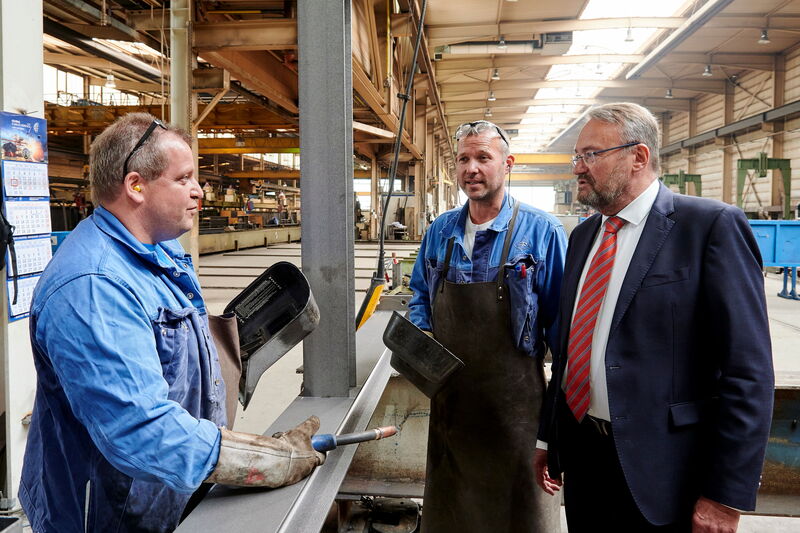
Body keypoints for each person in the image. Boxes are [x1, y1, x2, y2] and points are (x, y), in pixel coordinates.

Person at [19, 113, 325, 533]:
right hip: (107, 516)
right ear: (136, 186)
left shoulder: (160, 257)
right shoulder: (93, 286)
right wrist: (265, 461)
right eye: (184, 179)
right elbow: (140, 429)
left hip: (165, 497)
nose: (199, 191)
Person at [534, 102, 774, 532]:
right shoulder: (584, 235)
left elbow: (748, 372)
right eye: (577, 156)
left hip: (666, 471)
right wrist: (549, 438)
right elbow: (571, 349)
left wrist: (725, 495)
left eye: (590, 155)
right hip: (586, 459)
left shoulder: (709, 227)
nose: (578, 168)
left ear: (638, 157)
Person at [408, 120, 567, 532]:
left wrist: (555, 427)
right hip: (452, 408)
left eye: (483, 157)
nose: (471, 168)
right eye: (463, 159)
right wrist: (420, 336)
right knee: (453, 516)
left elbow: (563, 328)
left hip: (517, 412)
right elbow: (421, 294)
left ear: (508, 164)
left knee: (521, 517)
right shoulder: (441, 231)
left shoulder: (542, 232)